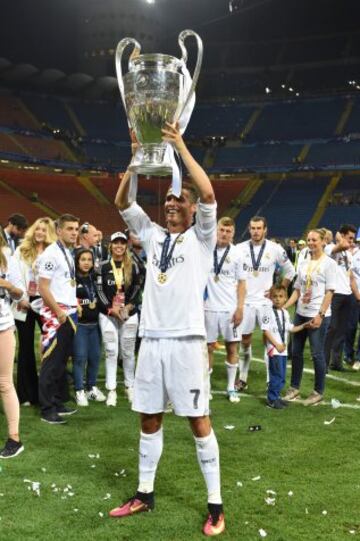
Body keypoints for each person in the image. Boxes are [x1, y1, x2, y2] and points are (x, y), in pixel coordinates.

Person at [111, 122, 225, 537]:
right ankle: (145, 492)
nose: (173, 203)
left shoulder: (202, 239)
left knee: (198, 422)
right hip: (152, 343)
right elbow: (122, 199)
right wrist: (136, 160)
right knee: (149, 419)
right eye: (170, 199)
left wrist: (179, 146)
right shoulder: (151, 234)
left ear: (193, 210)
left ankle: (215, 505)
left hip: (187, 344)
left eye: (181, 200)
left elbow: (209, 193)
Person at [235, 216, 295, 391]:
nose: (255, 231)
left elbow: (290, 271)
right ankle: (243, 379)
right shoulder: (239, 249)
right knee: (244, 341)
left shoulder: (275, 249)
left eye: (259, 228)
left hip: (266, 304)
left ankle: (270, 381)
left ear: (265, 229)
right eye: (252, 228)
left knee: (269, 341)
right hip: (245, 303)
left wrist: (279, 291)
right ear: (249, 229)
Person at [284, 229, 337, 405]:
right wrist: (284, 307)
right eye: (308, 240)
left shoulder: (329, 263)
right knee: (296, 352)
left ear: (323, 241)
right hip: (301, 313)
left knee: (317, 354)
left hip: (317, 315)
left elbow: (329, 292)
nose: (311, 243)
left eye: (314, 240)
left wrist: (320, 315)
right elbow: (298, 290)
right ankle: (294, 388)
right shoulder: (303, 262)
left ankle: (318, 391)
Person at [37, 214, 79, 424]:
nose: (74, 232)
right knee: (52, 362)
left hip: (68, 311)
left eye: (76, 229)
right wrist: (59, 312)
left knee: (61, 362)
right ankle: (46, 408)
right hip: (58, 314)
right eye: (70, 228)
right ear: (59, 231)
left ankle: (56, 401)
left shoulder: (67, 253)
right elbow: (43, 288)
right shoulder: (51, 254)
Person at [11, 217, 57, 406]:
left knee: (51, 346)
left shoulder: (54, 252)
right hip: (25, 301)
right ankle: (26, 394)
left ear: (50, 233)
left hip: (46, 300)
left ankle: (49, 392)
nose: (40, 233)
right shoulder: (21, 249)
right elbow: (14, 273)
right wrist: (21, 297)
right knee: (26, 347)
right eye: (38, 229)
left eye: (44, 230)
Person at [97, 231, 143, 406]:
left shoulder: (135, 266)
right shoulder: (102, 267)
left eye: (122, 243)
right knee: (111, 351)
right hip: (108, 314)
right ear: (111, 246)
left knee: (128, 351)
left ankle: (130, 386)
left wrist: (129, 307)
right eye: (116, 243)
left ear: (126, 246)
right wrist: (111, 309)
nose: (119, 246)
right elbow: (99, 291)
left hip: (129, 314)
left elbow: (138, 289)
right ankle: (111, 390)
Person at [205, 216, 246, 403]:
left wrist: (239, 308)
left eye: (228, 231)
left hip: (230, 309)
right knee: (207, 349)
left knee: (232, 347)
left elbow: (241, 283)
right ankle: (206, 387)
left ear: (233, 234)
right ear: (216, 230)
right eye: (221, 230)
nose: (224, 233)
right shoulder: (205, 249)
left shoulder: (237, 254)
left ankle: (231, 387)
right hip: (208, 308)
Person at [262, 285, 309, 409]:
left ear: (285, 298)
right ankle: (271, 399)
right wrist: (276, 345)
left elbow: (291, 328)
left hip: (283, 350)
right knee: (276, 375)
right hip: (274, 349)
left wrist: (304, 325)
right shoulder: (268, 312)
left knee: (282, 376)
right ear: (271, 298)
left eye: (281, 296)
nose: (278, 299)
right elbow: (266, 331)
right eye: (275, 296)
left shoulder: (285, 313)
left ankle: (276, 397)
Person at [0, 235, 24, 458]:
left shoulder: (8, 257)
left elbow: (20, 294)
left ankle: (14, 438)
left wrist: (7, 285)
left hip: (2, 327)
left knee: (5, 383)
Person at [324, 224, 360, 371]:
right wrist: (340, 238)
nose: (352, 241)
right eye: (350, 237)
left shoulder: (349, 255)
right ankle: (324, 363)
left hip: (347, 294)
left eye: (353, 238)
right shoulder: (330, 248)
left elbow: (350, 277)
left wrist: (357, 296)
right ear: (342, 236)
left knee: (342, 330)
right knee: (331, 329)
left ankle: (336, 362)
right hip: (334, 294)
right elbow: (343, 245)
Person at [73, 248, 106, 406]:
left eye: (89, 260)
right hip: (80, 326)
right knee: (79, 358)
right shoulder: (72, 279)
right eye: (83, 260)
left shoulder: (95, 279)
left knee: (95, 357)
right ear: (77, 261)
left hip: (95, 326)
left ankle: (91, 387)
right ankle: (79, 390)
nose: (86, 263)